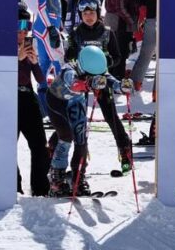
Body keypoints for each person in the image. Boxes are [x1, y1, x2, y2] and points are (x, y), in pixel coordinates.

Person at [46, 46, 133, 197]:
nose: (96, 76)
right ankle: (56, 178)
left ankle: (78, 177)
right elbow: (74, 84)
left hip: (76, 101)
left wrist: (121, 86)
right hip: (57, 102)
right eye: (91, 75)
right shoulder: (69, 69)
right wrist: (88, 84)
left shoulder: (95, 68)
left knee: (81, 138)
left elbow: (109, 80)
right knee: (66, 137)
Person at [67, 0, 133, 174]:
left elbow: (117, 57)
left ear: (98, 12)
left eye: (92, 13)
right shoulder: (75, 33)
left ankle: (125, 151)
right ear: (80, 15)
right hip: (81, 79)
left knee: (111, 115)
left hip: (101, 77)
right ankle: (78, 155)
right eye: (85, 13)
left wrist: (106, 61)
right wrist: (74, 60)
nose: (88, 16)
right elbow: (69, 56)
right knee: (76, 119)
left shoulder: (107, 32)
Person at [17, 2, 50, 197]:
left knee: (39, 145)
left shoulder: (28, 44)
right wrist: (17, 58)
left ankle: (40, 188)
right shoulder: (1, 47)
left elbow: (40, 79)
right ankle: (14, 187)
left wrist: (35, 62)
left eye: (26, 28)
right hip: (10, 98)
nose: (22, 33)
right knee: (7, 146)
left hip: (28, 96)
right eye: (19, 28)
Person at [29, 0, 66, 115]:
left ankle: (45, 109)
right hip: (46, 27)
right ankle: (59, 106)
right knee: (59, 63)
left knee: (44, 65)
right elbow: (41, 6)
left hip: (47, 26)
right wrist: (51, 28)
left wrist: (57, 25)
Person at [104, 0, 145, 79]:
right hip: (119, 23)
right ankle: (117, 78)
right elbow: (120, 7)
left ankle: (112, 77)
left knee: (113, 52)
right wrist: (131, 22)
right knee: (120, 53)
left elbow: (110, 3)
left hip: (112, 21)